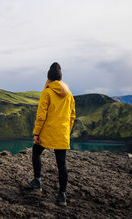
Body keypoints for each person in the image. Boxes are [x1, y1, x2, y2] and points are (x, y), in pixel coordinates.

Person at [28, 62, 76, 207]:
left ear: (48, 78)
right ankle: (62, 196)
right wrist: (66, 132)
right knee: (62, 164)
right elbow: (72, 116)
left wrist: (36, 132)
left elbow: (41, 115)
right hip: (62, 134)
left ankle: (37, 182)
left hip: (47, 132)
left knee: (36, 152)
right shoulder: (69, 94)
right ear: (60, 79)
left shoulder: (47, 92)